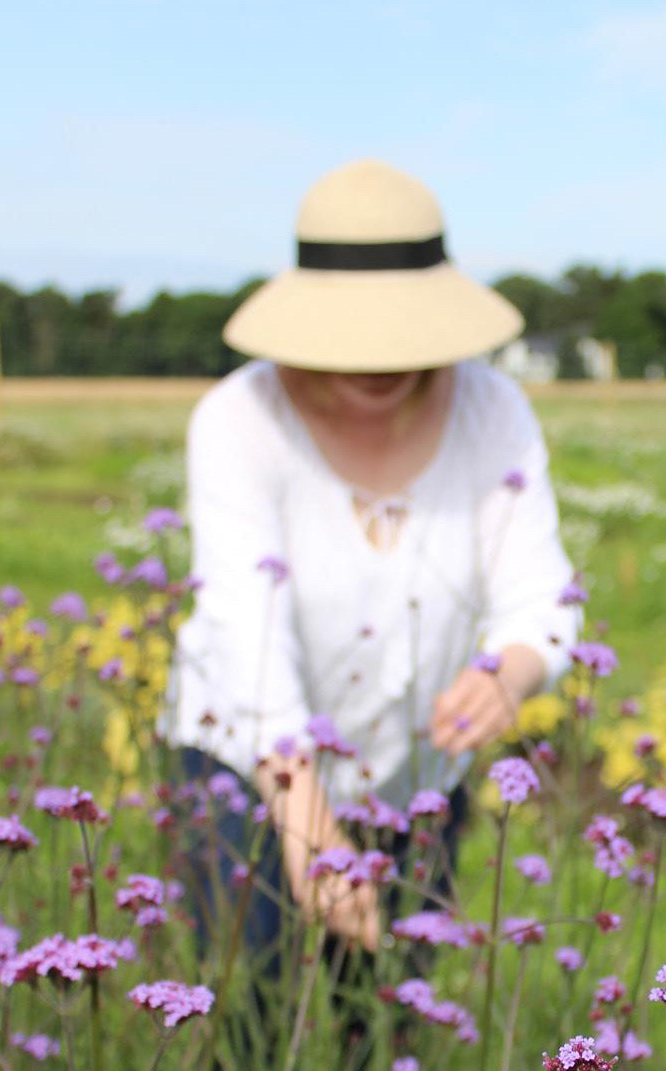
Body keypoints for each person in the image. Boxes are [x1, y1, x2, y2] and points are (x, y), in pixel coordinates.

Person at [161, 158, 579, 964]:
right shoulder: (238, 419)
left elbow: (541, 590)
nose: (379, 362)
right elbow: (245, 627)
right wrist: (305, 813)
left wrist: (511, 672)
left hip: (418, 771)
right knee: (251, 1008)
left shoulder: (496, 410)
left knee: (385, 1019)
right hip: (249, 759)